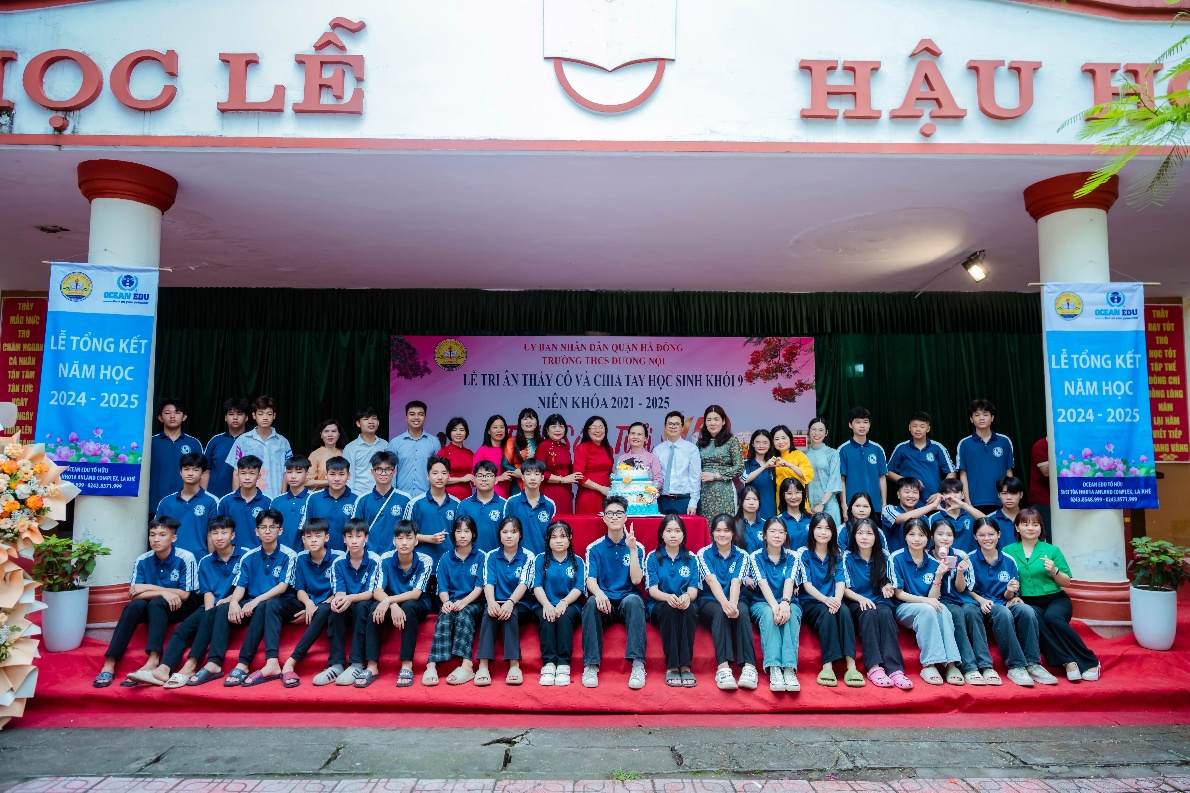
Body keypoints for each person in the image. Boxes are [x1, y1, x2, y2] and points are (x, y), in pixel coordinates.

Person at [128, 516, 246, 689]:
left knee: (209, 620)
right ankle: (163, 669)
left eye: (224, 532)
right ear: (209, 536)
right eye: (215, 533)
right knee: (182, 631)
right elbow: (207, 592)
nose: (219, 537)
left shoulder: (245, 555)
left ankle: (189, 667)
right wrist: (208, 612)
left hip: (235, 603)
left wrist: (221, 607)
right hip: (212, 605)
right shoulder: (205, 561)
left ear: (232, 535)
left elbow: (245, 586)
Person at [92, 517, 199, 688]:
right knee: (134, 606)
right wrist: (162, 592)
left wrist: (149, 588)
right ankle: (109, 664)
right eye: (152, 535)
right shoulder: (142, 559)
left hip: (180, 607)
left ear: (173, 538)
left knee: (157, 603)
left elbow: (185, 594)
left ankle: (153, 660)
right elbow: (134, 595)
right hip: (152, 606)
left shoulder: (186, 557)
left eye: (162, 535)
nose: (156, 539)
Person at [1005, 508, 1101, 682]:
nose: (1030, 528)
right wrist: (1012, 595)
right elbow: (1005, 579)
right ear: (1017, 527)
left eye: (1035, 524)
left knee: (1052, 617)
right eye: (1025, 524)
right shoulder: (1008, 551)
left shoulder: (1052, 550)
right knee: (1035, 618)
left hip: (1055, 598)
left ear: (1041, 528)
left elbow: (1066, 582)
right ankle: (1067, 662)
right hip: (1028, 601)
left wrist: (1054, 570)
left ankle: (1090, 661)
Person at [968, 517, 1057, 688]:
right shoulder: (969, 559)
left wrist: (1010, 591)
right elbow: (964, 589)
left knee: (1027, 610)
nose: (987, 538)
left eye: (991, 534)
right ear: (975, 537)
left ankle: (1033, 664)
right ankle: (1015, 666)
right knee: (1002, 612)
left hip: (1002, 602)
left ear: (999, 534)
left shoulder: (1008, 560)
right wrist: (981, 600)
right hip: (980, 606)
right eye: (982, 535)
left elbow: (1009, 594)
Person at [223, 509, 300, 687]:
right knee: (222, 609)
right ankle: (231, 663)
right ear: (256, 531)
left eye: (272, 527)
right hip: (261, 604)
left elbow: (283, 587)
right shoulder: (249, 556)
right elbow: (240, 586)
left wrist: (256, 600)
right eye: (263, 527)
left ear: (280, 531)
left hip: (286, 602)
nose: (267, 531)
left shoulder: (290, 555)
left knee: (268, 604)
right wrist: (233, 602)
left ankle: (267, 661)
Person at [581, 495, 648, 690]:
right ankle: (591, 665)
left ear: (626, 517)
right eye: (610, 513)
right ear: (604, 518)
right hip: (605, 602)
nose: (615, 517)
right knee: (591, 603)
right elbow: (590, 580)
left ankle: (638, 665)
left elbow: (636, 580)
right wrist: (599, 594)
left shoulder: (637, 547)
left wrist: (632, 550)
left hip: (627, 600)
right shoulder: (594, 548)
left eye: (619, 513)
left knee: (635, 601)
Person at [359, 520, 434, 688]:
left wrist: (389, 600)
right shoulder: (385, 559)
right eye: (400, 538)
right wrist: (391, 604)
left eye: (409, 538)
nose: (404, 542)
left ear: (416, 541)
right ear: (394, 541)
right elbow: (377, 591)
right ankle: (372, 665)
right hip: (392, 603)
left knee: (408, 606)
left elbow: (416, 594)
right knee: (374, 608)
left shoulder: (425, 560)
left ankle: (406, 665)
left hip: (418, 604)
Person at [890, 518, 964, 686]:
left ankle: (951, 664)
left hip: (927, 605)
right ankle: (929, 664)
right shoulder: (896, 558)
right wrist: (926, 601)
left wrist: (938, 576)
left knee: (943, 609)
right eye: (912, 534)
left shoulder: (933, 562)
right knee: (928, 609)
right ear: (905, 537)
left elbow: (934, 597)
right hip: (903, 607)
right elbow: (899, 593)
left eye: (921, 535)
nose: (917, 539)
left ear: (928, 538)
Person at [842, 518, 912, 690]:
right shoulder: (846, 557)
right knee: (869, 613)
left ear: (876, 537)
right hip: (856, 601)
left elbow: (891, 583)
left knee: (885, 613)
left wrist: (888, 587)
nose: (864, 537)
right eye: (860, 533)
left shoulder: (885, 556)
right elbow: (843, 588)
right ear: (854, 536)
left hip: (880, 600)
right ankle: (874, 667)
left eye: (869, 533)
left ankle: (895, 670)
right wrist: (861, 599)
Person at [276, 519, 345, 687]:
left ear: (326, 538)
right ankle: (270, 659)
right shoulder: (300, 558)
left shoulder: (339, 557)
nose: (313, 540)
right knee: (273, 604)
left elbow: (341, 591)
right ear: (303, 539)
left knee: (324, 610)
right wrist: (308, 604)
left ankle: (292, 660)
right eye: (309, 536)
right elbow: (299, 589)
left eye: (318, 536)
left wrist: (317, 608)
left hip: (329, 603)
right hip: (309, 603)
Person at [797, 514, 864, 687]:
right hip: (811, 602)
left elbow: (840, 582)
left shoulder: (838, 553)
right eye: (819, 528)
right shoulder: (803, 553)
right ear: (812, 530)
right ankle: (827, 667)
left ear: (833, 532)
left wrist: (837, 600)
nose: (823, 532)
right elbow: (807, 585)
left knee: (845, 611)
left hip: (833, 599)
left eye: (827, 528)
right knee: (827, 613)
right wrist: (826, 600)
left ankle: (851, 667)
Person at [930, 517, 997, 686]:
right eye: (940, 534)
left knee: (972, 612)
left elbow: (962, 589)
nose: (945, 538)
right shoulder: (927, 557)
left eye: (949, 535)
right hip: (943, 601)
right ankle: (969, 667)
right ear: (932, 536)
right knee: (957, 614)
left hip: (962, 598)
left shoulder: (960, 555)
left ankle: (986, 665)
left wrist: (960, 572)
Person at [696, 514, 759, 691]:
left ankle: (749, 667)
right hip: (709, 600)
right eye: (718, 530)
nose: (722, 534)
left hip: (735, 597)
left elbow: (736, 582)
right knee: (720, 612)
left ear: (733, 533)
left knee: (743, 611)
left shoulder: (742, 555)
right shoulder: (703, 553)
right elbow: (711, 581)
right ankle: (723, 668)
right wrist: (725, 605)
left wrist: (732, 604)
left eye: (726, 530)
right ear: (712, 532)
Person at [424, 515, 485, 687]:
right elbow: (442, 588)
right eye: (458, 531)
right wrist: (446, 602)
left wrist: (464, 602)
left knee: (464, 614)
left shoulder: (481, 557)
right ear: (454, 534)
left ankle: (467, 665)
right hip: (451, 602)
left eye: (466, 531)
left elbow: (479, 587)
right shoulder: (445, 558)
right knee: (445, 614)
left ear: (473, 534)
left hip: (474, 603)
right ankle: (431, 665)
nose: (462, 535)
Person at [476, 515, 534, 686]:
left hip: (521, 604)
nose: (509, 536)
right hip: (496, 601)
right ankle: (483, 666)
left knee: (511, 613)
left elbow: (524, 583)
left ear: (520, 535)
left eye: (513, 532)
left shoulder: (528, 556)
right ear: (499, 534)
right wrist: (491, 603)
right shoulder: (491, 556)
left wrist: (510, 602)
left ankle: (514, 665)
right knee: (488, 613)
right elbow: (488, 582)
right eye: (505, 532)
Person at [645, 514, 701, 688]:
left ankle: (685, 666)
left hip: (684, 603)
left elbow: (693, 590)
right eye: (669, 531)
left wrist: (686, 597)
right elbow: (653, 590)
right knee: (669, 610)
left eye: (677, 531)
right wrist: (668, 597)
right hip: (659, 604)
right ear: (662, 534)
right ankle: (672, 667)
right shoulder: (652, 557)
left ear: (683, 534)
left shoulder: (692, 558)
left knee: (689, 609)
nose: (673, 535)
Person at [326, 518, 384, 686]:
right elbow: (340, 593)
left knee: (362, 606)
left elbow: (371, 593)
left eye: (358, 536)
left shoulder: (374, 560)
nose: (354, 541)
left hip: (365, 603)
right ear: (344, 539)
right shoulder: (338, 562)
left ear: (366, 538)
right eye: (349, 536)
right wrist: (339, 601)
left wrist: (349, 598)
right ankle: (336, 664)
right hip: (349, 602)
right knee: (336, 608)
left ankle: (356, 663)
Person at [748, 516, 801, 692]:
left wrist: (785, 603)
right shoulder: (755, 557)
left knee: (791, 613)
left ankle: (789, 668)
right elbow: (762, 583)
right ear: (764, 535)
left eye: (781, 532)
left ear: (786, 535)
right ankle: (774, 668)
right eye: (772, 531)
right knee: (770, 614)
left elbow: (790, 581)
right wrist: (775, 606)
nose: (777, 535)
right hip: (762, 602)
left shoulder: (793, 556)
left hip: (787, 600)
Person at [533, 521, 585, 687]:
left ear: (570, 538)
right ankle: (549, 663)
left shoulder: (578, 561)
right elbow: (537, 586)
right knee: (546, 616)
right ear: (548, 539)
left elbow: (579, 588)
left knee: (564, 616)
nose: (558, 540)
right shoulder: (540, 560)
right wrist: (547, 605)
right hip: (544, 602)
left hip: (570, 604)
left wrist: (564, 602)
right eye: (554, 537)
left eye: (563, 536)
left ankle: (563, 664)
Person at [154, 452, 219, 560]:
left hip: (199, 559)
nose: (190, 473)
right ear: (180, 472)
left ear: (203, 473)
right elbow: (158, 534)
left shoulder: (212, 501)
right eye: (186, 469)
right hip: (171, 560)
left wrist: (211, 563)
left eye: (195, 470)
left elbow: (212, 535)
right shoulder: (166, 502)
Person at [226, 396, 293, 499]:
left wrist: (282, 497)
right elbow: (236, 471)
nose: (265, 417)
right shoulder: (243, 440)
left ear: (274, 416)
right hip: (248, 498)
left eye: (269, 414)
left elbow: (286, 472)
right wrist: (236, 498)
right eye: (261, 414)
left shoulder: (283, 442)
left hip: (274, 496)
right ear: (254, 415)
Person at [956, 399, 1015, 514]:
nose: (981, 418)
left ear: (992, 418)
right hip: (974, 501)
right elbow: (963, 474)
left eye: (985, 414)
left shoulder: (1004, 441)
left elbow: (1009, 471)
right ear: (971, 419)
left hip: (1000, 500)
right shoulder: (964, 443)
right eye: (977, 415)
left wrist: (1009, 496)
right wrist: (967, 501)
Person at [148, 398, 204, 515]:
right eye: (168, 413)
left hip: (187, 503)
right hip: (154, 503)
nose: (172, 416)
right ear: (160, 417)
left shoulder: (194, 443)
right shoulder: (150, 443)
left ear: (184, 417)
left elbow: (201, 473)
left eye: (177, 412)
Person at [351, 451, 413, 556]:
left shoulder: (405, 499)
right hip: (367, 556)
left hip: (396, 556)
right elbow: (354, 531)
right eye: (379, 469)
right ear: (372, 472)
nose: (383, 473)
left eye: (388, 469)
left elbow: (410, 531)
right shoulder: (362, 500)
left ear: (394, 472)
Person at [405, 455, 461, 567]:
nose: (440, 477)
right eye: (435, 473)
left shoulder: (457, 504)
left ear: (449, 476)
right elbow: (405, 535)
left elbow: (462, 535)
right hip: (421, 564)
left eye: (444, 473)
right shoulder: (415, 503)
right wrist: (429, 539)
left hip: (450, 564)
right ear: (428, 476)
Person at [887, 411, 955, 500]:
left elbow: (951, 472)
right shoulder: (901, 448)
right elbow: (887, 472)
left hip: (935, 500)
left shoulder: (938, 447)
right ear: (909, 427)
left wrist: (940, 493)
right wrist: (908, 482)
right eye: (914, 426)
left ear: (928, 429)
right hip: (909, 501)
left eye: (922, 426)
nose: (918, 429)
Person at [837, 407, 888, 515]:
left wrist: (884, 504)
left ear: (869, 424)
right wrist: (844, 506)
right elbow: (841, 479)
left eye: (865, 422)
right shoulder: (843, 450)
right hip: (852, 506)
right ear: (850, 425)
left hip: (875, 506)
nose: (862, 426)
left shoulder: (877, 449)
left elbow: (882, 477)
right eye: (858, 422)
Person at [697, 405, 745, 518]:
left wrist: (715, 476)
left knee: (724, 524)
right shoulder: (700, 443)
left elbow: (740, 467)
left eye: (716, 419)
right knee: (706, 525)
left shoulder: (731, 441)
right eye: (709, 420)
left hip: (725, 491)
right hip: (704, 493)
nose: (712, 423)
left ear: (723, 421)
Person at [215, 456, 271, 548]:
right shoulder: (225, 501)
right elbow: (218, 531)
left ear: (259, 475)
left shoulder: (268, 502)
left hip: (259, 553)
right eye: (243, 473)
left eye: (252, 473)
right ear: (237, 474)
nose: (247, 477)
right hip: (232, 553)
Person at [503, 457, 556, 555]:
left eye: (536, 474)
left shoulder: (550, 504)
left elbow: (553, 534)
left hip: (543, 557)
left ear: (542, 477)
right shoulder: (512, 502)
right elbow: (505, 532)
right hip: (518, 558)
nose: (532, 478)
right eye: (528, 474)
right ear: (522, 477)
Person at [654, 411, 702, 516]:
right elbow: (655, 476)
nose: (673, 427)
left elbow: (695, 478)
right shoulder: (657, 450)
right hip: (662, 501)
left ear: (682, 428)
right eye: (670, 424)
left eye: (676, 424)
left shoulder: (691, 449)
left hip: (683, 501)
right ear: (665, 427)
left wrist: (693, 502)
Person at [306, 457, 356, 552]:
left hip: (345, 556)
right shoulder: (314, 498)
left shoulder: (357, 500)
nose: (337, 479)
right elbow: (306, 530)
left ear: (348, 475)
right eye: (332, 474)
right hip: (318, 555)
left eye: (341, 474)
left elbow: (358, 532)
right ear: (326, 475)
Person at [203, 397, 250, 498]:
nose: (235, 417)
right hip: (216, 496)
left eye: (239, 414)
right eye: (231, 414)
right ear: (225, 417)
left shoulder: (253, 441)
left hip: (246, 498)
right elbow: (206, 471)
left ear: (246, 418)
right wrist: (203, 497)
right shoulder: (215, 441)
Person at [881, 477, 941, 554]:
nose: (911, 496)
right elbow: (903, 518)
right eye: (907, 492)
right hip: (894, 558)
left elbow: (927, 545)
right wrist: (932, 506)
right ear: (898, 494)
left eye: (915, 492)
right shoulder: (889, 509)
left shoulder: (924, 518)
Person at [458, 460, 508, 553]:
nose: (484, 479)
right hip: (470, 557)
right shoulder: (464, 505)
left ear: (496, 480)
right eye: (480, 475)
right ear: (474, 479)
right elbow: (457, 534)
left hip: (497, 558)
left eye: (488, 475)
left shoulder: (505, 505)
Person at [928, 478, 985, 554]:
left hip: (970, 558)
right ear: (942, 496)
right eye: (948, 492)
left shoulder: (972, 514)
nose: (952, 496)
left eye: (956, 492)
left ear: (962, 495)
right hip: (945, 558)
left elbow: (987, 522)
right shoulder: (934, 517)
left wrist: (963, 505)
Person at [392, 400, 437, 495]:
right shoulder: (395, 443)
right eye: (412, 414)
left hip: (426, 496)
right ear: (406, 418)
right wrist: (393, 496)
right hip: (401, 496)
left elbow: (438, 470)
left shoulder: (434, 442)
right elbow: (390, 471)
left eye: (420, 414)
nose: (416, 417)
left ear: (425, 418)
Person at [538, 413, 581, 512]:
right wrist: (562, 479)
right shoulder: (543, 446)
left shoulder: (564, 447)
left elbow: (569, 470)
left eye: (561, 426)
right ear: (547, 430)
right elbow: (539, 473)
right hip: (550, 490)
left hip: (566, 490)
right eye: (554, 426)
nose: (558, 430)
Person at [804, 416, 843, 524]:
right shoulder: (804, 455)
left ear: (826, 433)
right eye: (814, 429)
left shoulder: (833, 453)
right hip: (810, 506)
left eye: (821, 430)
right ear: (809, 431)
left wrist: (822, 504)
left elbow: (834, 481)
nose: (817, 433)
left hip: (828, 505)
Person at [574, 415, 615, 515]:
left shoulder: (609, 449)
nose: (598, 430)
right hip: (588, 495)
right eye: (594, 427)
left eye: (601, 427)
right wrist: (600, 488)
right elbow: (579, 476)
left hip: (606, 494)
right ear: (587, 431)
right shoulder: (581, 448)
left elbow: (609, 474)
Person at [344, 407, 388, 498]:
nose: (371, 422)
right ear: (358, 423)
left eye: (374, 418)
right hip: (359, 495)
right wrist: (351, 497)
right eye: (366, 419)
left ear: (378, 422)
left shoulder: (385, 445)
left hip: (382, 494)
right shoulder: (350, 448)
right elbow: (348, 476)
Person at [273, 456, 313, 551]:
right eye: (289, 472)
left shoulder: (313, 499)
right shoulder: (277, 501)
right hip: (279, 554)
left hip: (304, 554)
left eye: (298, 472)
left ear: (306, 474)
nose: (293, 476)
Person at [740, 429, 778, 521]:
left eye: (765, 442)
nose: (761, 446)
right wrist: (765, 466)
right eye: (758, 442)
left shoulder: (774, 464)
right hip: (752, 511)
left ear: (770, 445)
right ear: (753, 444)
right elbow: (745, 479)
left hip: (770, 510)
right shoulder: (745, 463)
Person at [503, 408, 543, 495]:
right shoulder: (512, 441)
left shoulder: (542, 442)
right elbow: (505, 464)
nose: (528, 421)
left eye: (531, 418)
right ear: (520, 423)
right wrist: (519, 472)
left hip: (538, 483)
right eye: (525, 419)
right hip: (517, 483)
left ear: (536, 423)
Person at [474, 415, 514, 498]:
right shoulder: (482, 451)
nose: (499, 430)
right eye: (495, 427)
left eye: (502, 427)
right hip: (489, 496)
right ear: (489, 431)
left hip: (507, 494)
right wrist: (499, 478)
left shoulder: (508, 450)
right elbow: (474, 479)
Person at [615, 422, 664, 490]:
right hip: (625, 495)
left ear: (645, 438)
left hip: (645, 495)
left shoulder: (652, 458)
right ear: (628, 437)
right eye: (633, 433)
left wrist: (643, 488)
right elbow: (617, 481)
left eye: (639, 434)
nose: (635, 437)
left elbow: (659, 482)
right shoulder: (622, 458)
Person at [771, 424, 814, 496]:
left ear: (790, 439)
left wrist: (789, 465)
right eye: (777, 439)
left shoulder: (799, 455)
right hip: (779, 497)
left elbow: (808, 476)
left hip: (796, 497)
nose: (781, 442)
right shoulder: (773, 458)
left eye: (784, 438)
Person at [439, 417, 476, 501]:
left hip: (467, 495)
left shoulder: (470, 453)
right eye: (454, 430)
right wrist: (461, 479)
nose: (458, 433)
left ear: (466, 432)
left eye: (462, 430)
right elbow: (439, 478)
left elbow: (475, 476)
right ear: (450, 432)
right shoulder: (443, 452)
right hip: (448, 496)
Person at [988, 476, 1026, 551]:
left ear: (1021, 495)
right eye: (1004, 493)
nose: (1009, 497)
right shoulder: (990, 519)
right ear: (999, 495)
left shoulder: (1030, 518)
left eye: (1013, 493)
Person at [307, 419, 345, 490]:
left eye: (333, 431)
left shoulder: (345, 453)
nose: (330, 435)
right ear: (321, 435)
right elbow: (307, 481)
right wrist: (330, 481)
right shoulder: (315, 454)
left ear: (339, 434)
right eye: (326, 431)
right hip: (322, 494)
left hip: (343, 493)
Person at [777, 478, 812, 551]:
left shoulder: (811, 519)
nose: (794, 497)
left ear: (802, 494)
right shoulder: (778, 522)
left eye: (797, 492)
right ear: (783, 496)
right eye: (789, 493)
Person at [1029, 436, 1052, 542]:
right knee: (1050, 535)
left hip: (1067, 497)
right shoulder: (1040, 445)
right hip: (1044, 499)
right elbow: (1046, 472)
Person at [735, 485, 766, 553]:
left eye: (755, 499)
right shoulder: (733, 524)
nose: (751, 503)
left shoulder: (766, 525)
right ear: (740, 501)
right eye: (747, 499)